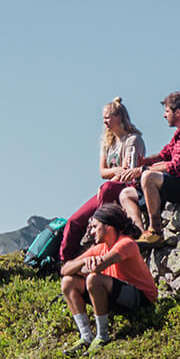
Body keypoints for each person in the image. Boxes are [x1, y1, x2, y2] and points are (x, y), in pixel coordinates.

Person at [122, 91, 180, 245]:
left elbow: (176, 166)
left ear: (178, 113)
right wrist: (142, 161)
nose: (164, 115)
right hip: (179, 183)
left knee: (148, 177)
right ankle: (140, 233)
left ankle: (155, 231)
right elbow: (164, 154)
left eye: (167, 111)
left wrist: (143, 170)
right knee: (126, 194)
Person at [62, 97, 148, 258]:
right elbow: (103, 172)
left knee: (106, 188)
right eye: (103, 118)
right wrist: (116, 170)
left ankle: (102, 230)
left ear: (119, 117)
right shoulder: (108, 142)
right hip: (109, 187)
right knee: (74, 221)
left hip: (126, 187)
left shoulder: (133, 140)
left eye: (108, 118)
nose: (105, 122)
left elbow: (127, 173)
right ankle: (64, 261)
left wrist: (111, 178)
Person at [60, 204, 156, 347]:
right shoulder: (99, 248)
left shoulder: (126, 243)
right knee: (68, 282)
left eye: (95, 227)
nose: (91, 232)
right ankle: (86, 336)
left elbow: (97, 267)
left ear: (108, 226)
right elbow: (64, 270)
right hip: (118, 296)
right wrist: (83, 262)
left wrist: (81, 268)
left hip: (142, 300)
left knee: (94, 279)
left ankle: (102, 336)